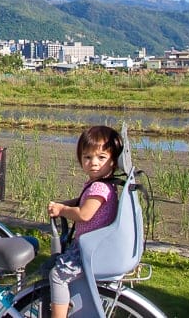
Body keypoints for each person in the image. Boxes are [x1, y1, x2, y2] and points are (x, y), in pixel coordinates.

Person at [46, 125, 124, 318]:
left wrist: (63, 210)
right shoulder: (101, 184)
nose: (93, 163)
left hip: (90, 251)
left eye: (101, 157)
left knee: (57, 276)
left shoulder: (99, 188)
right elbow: (83, 201)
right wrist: (64, 205)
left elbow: (84, 214)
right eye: (87, 157)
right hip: (91, 245)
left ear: (113, 161)